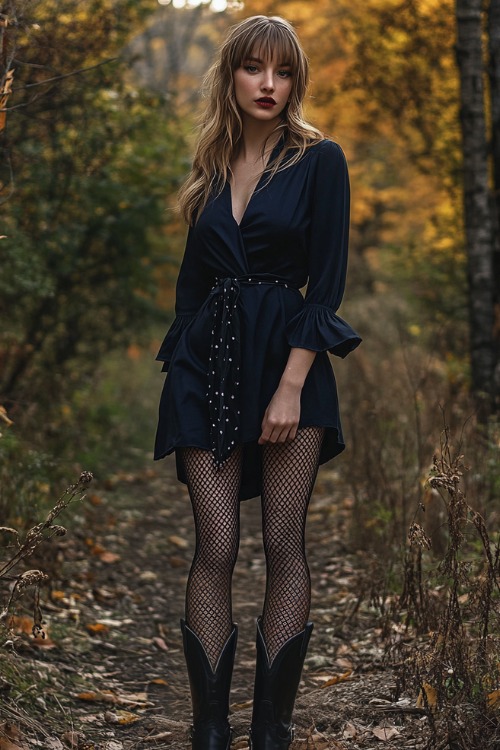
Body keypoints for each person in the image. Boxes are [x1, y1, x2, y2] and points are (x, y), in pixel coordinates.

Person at [154, 14, 361, 750]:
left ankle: (270, 726)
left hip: (288, 367)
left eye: (282, 71)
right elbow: (191, 285)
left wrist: (292, 385)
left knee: (283, 543)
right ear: (232, 76)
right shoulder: (209, 166)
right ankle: (209, 727)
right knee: (214, 546)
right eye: (253, 69)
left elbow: (327, 284)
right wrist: (181, 368)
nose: (268, 84)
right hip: (206, 370)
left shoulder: (319, 160)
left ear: (295, 80)